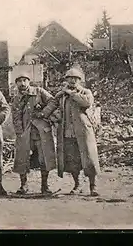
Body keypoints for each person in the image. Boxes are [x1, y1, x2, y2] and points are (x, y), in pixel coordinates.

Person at [42, 66, 101, 196]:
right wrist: (44, 114)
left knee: (89, 159)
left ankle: (93, 186)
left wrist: (72, 94)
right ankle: (77, 185)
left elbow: (86, 103)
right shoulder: (62, 95)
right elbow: (51, 105)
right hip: (67, 133)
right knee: (72, 162)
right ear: (66, 80)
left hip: (83, 132)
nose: (72, 81)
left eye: (75, 79)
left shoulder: (86, 92)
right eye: (70, 78)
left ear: (80, 80)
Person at [11, 72, 57, 195]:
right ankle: (24, 185)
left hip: (41, 131)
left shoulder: (39, 91)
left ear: (29, 81)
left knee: (44, 158)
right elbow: (15, 117)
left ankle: (45, 186)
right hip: (26, 132)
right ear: (16, 83)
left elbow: (53, 101)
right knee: (22, 158)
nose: (22, 83)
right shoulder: (16, 99)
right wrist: (19, 132)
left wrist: (44, 113)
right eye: (19, 81)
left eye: (25, 80)